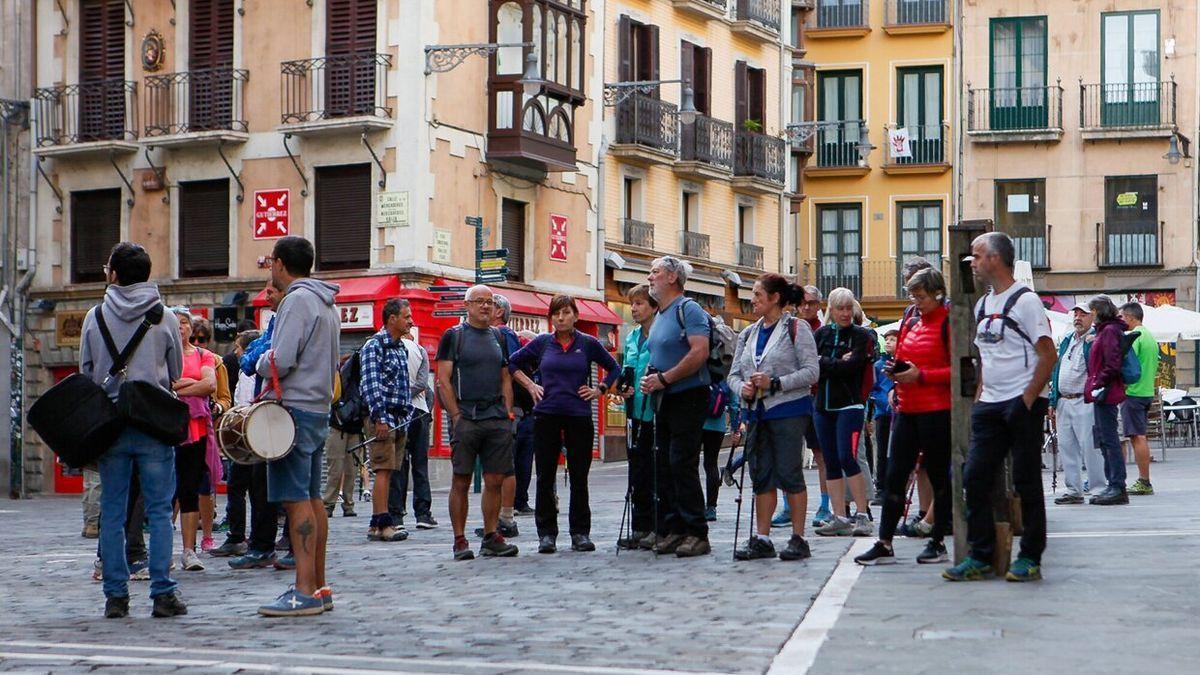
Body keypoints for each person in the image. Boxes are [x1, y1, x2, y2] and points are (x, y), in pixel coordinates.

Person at [79, 242, 187, 618]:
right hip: (154, 421)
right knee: (158, 511)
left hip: (111, 422)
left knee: (113, 511)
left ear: (113, 274)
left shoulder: (95, 316)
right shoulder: (165, 316)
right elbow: (176, 372)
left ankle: (115, 596)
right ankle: (162, 593)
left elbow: (87, 372)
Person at [944, 232, 1055, 582]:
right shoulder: (982, 305)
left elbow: (1047, 354)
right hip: (990, 405)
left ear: (995, 258)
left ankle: (1030, 557)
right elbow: (985, 356)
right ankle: (981, 554)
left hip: (1022, 403)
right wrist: (980, 393)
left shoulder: (1026, 302)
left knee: (1025, 480)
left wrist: (1026, 399)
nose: (972, 264)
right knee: (974, 477)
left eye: (976, 256)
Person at [254, 236, 341, 616]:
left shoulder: (296, 300)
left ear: (279, 264)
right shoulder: (326, 302)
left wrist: (258, 362)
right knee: (311, 497)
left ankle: (303, 589)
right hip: (318, 407)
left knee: (295, 501)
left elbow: (283, 357)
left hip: (294, 409)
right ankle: (319, 586)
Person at [855, 268, 952, 566]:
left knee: (938, 475)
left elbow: (960, 370)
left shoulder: (949, 323)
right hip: (908, 409)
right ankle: (884, 542)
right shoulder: (911, 321)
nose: (916, 301)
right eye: (913, 295)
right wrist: (896, 378)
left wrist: (921, 376)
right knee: (896, 475)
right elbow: (902, 360)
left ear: (937, 294)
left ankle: (937, 540)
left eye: (921, 296)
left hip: (936, 410)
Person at [509, 295, 620, 554]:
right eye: (556, 313)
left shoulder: (588, 343)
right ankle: (547, 535)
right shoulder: (542, 343)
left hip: (578, 415)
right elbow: (513, 362)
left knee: (579, 477)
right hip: (546, 415)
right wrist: (530, 385)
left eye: (566, 313)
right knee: (545, 476)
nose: (560, 318)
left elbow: (613, 367)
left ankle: (580, 533)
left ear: (575, 316)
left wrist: (599, 389)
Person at [728, 274, 820, 561]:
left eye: (757, 295)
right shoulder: (747, 333)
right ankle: (763, 537)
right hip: (757, 412)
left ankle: (798, 537)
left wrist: (776, 382)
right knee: (761, 474)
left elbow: (811, 372)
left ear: (775, 298)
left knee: (789, 472)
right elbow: (732, 374)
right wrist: (740, 388)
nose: (752, 300)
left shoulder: (797, 328)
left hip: (789, 410)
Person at [436, 285, 520, 561]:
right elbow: (443, 380)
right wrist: (456, 415)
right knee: (461, 479)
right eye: (479, 301)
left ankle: (490, 534)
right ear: (467, 305)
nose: (485, 306)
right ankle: (459, 540)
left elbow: (505, 375)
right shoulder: (454, 336)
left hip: (495, 418)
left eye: (489, 302)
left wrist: (507, 412)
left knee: (495, 479)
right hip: (467, 418)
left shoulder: (498, 335)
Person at [639, 256, 713, 558]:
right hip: (665, 397)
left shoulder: (688, 309)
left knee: (682, 463)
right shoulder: (661, 314)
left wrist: (665, 379)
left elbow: (700, 352)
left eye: (654, 272)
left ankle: (696, 532)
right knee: (665, 464)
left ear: (672, 277)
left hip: (688, 395)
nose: (649, 278)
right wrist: (651, 377)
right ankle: (674, 528)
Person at [810, 288, 876, 537]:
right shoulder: (822, 334)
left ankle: (861, 513)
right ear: (832, 310)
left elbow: (854, 367)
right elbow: (812, 366)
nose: (846, 313)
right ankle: (839, 515)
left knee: (848, 457)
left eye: (849, 308)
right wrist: (837, 361)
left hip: (850, 406)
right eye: (841, 308)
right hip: (823, 406)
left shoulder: (862, 336)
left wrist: (826, 361)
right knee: (831, 460)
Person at [228, 289, 284, 571]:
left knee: (268, 485)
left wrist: (261, 358)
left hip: (276, 413)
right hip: (272, 413)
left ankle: (266, 545)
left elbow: (260, 360)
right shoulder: (280, 319)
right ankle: (274, 544)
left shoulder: (285, 319)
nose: (267, 295)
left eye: (272, 290)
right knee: (267, 483)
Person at [772, 285, 830, 528]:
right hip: (792, 398)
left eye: (813, 303)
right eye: (804, 303)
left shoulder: (825, 331)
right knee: (788, 455)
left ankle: (825, 505)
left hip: (817, 398)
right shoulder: (788, 328)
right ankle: (787, 506)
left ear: (819, 305)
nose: (807, 307)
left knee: (820, 454)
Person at [360, 298, 414, 542]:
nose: (410, 321)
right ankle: (381, 522)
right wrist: (380, 418)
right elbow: (371, 385)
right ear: (392, 319)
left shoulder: (400, 347)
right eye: (406, 316)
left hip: (399, 417)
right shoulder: (375, 345)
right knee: (382, 469)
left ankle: (379, 524)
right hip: (384, 417)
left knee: (390, 470)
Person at [170, 308, 218, 572]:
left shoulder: (203, 355)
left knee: (190, 488)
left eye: (184, 323)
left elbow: (209, 385)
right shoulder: (162, 356)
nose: (180, 328)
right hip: (167, 427)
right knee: (166, 491)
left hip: (195, 429)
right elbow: (161, 384)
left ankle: (189, 550)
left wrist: (180, 384)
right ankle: (163, 550)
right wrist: (191, 383)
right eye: (175, 324)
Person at [1048, 304, 1105, 505]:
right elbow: (1057, 369)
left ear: (1093, 316)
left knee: (1090, 446)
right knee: (1066, 446)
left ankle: (1098, 488)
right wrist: (1053, 399)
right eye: (1076, 314)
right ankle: (1073, 489)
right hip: (1064, 400)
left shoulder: (1095, 339)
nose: (1078, 318)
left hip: (1084, 399)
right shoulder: (1067, 340)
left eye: (1083, 314)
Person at [213, 330, 261, 557]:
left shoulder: (251, 371)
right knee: (244, 487)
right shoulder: (245, 370)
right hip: (244, 434)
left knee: (243, 487)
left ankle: (240, 536)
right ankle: (241, 535)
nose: (235, 352)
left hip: (249, 435)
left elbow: (248, 403)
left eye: (239, 348)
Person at [617, 284, 658, 550]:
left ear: (654, 307)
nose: (634, 308)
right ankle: (640, 527)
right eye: (632, 304)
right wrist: (623, 386)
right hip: (635, 411)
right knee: (637, 472)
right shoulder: (631, 337)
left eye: (640, 303)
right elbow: (625, 369)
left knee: (655, 471)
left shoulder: (661, 334)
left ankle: (657, 527)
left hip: (656, 410)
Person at [391, 307, 438, 529]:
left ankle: (397, 514)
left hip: (399, 412)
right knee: (420, 464)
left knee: (398, 464)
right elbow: (424, 386)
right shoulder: (419, 350)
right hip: (419, 411)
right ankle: (423, 513)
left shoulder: (389, 348)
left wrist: (399, 396)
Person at [1086, 296, 1129, 506]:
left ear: (1098, 311)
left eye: (1091, 310)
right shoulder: (1104, 331)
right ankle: (1112, 483)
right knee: (1103, 438)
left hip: (1106, 392)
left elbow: (1112, 363)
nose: (1089, 314)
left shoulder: (1109, 331)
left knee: (1109, 439)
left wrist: (1098, 383)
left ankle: (1117, 485)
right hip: (1103, 391)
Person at [1119, 302, 1158, 496]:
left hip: (1133, 392)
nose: (1121, 321)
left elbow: (1129, 365)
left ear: (1130, 317)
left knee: (1137, 436)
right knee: (1139, 435)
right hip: (1147, 391)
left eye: (1122, 317)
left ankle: (1144, 481)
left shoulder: (1135, 337)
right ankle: (1144, 479)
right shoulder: (1150, 337)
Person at [324, 352, 362, 519]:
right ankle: (337, 503)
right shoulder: (337, 377)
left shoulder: (357, 378)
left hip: (346, 427)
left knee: (345, 469)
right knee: (340, 469)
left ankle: (338, 504)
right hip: (341, 427)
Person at [700, 373, 738, 522]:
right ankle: (711, 508)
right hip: (718, 425)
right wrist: (735, 428)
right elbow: (734, 404)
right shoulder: (725, 375)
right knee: (711, 464)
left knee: (690, 462)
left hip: (698, 422)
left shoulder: (701, 370)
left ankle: (694, 504)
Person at [868, 329, 898, 505]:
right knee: (881, 452)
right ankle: (880, 488)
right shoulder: (879, 366)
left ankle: (894, 487)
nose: (888, 342)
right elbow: (874, 389)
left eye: (893, 339)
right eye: (887, 339)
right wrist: (884, 403)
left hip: (899, 413)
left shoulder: (901, 363)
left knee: (894, 452)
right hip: (883, 413)